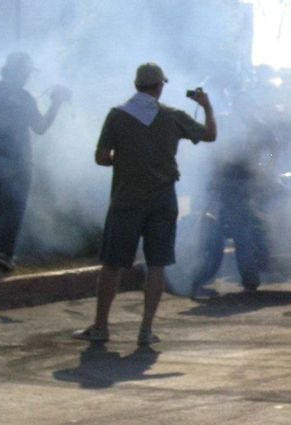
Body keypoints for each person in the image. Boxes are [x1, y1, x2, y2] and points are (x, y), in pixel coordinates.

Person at [72, 63, 216, 345]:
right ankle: (146, 330)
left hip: (126, 198)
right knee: (157, 265)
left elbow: (102, 157)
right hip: (163, 200)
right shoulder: (173, 116)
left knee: (112, 265)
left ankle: (101, 327)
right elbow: (210, 135)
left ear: (136, 85)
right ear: (160, 86)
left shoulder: (117, 116)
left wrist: (126, 161)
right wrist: (207, 106)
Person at [0, 52, 70, 272]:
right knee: (13, 207)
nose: (28, 77)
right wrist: (56, 103)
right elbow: (41, 127)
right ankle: (4, 254)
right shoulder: (24, 98)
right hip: (18, 163)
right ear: (20, 72)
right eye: (26, 72)